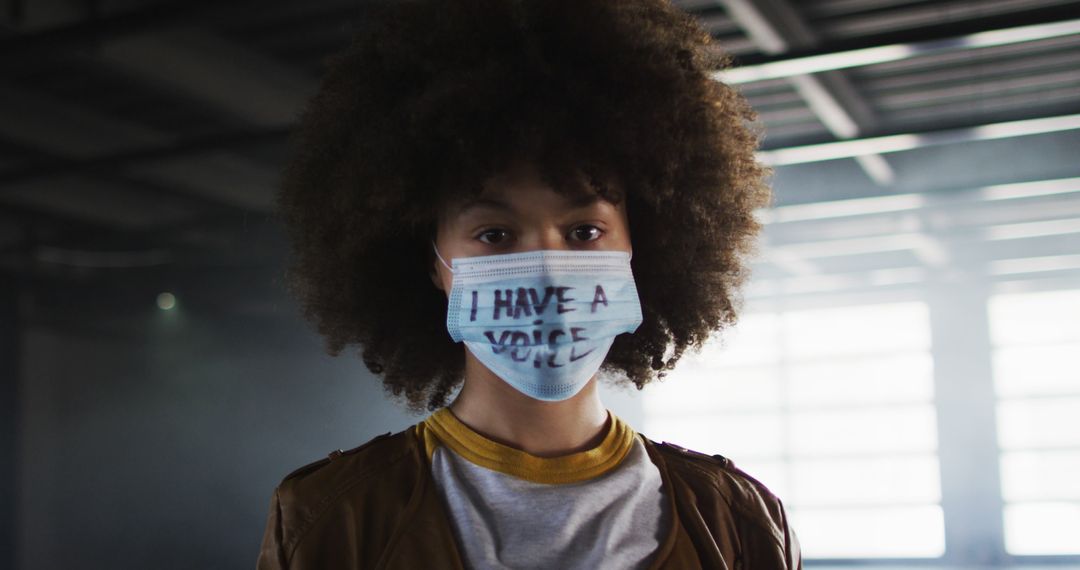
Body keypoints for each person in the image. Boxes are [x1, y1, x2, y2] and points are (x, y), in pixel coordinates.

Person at [256, 0, 802, 568]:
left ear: (645, 247)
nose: (545, 264)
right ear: (430, 262)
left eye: (585, 230)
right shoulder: (327, 516)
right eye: (494, 234)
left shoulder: (739, 519)